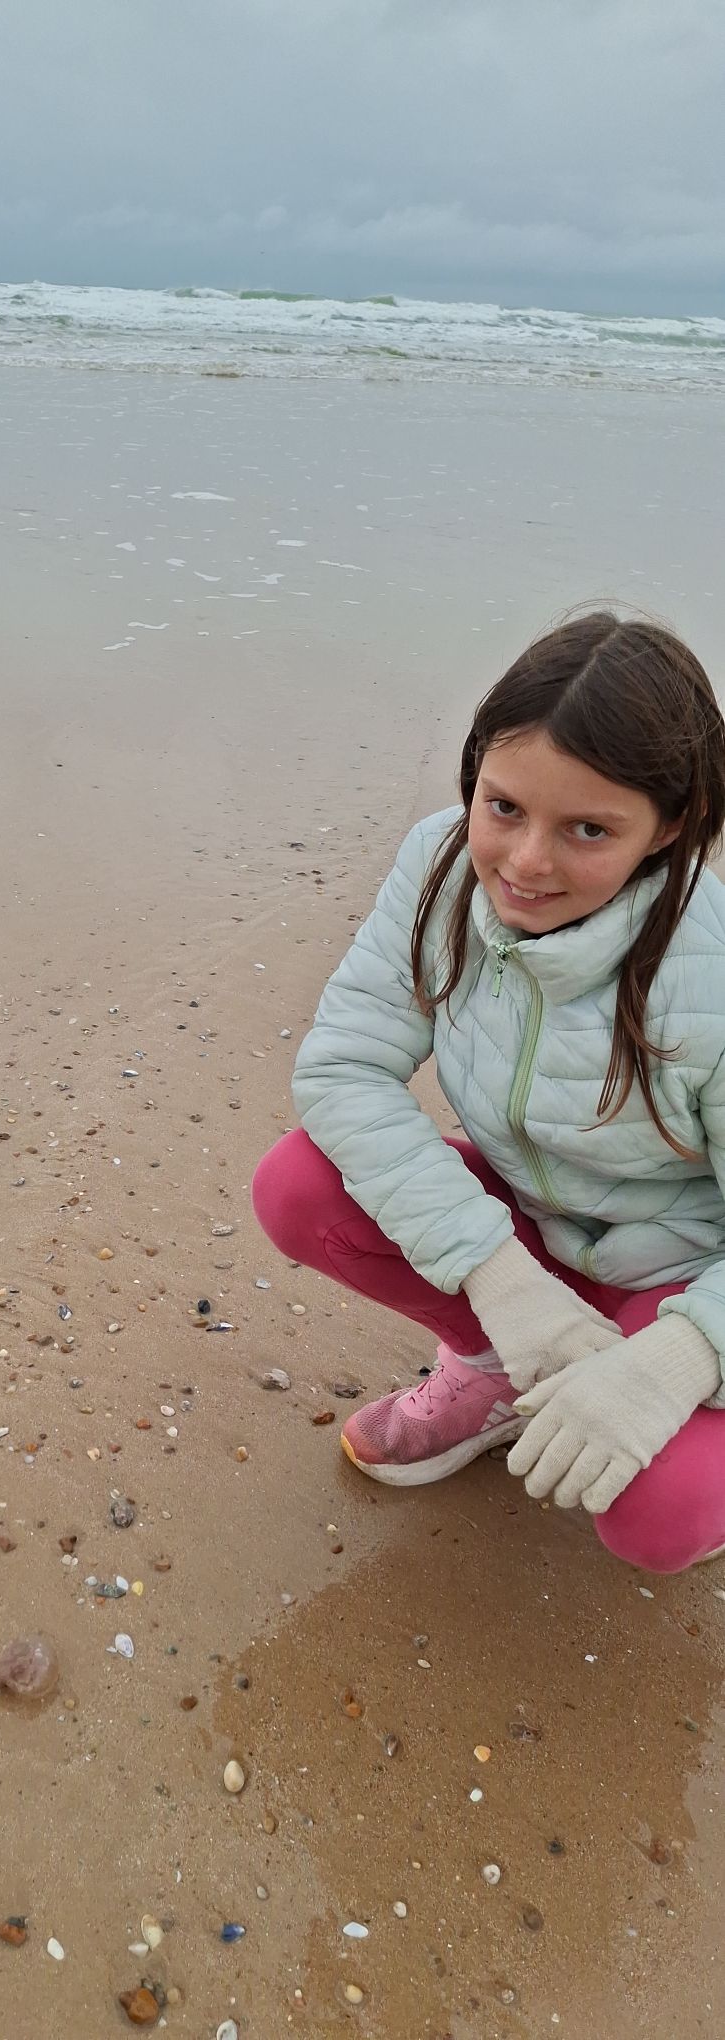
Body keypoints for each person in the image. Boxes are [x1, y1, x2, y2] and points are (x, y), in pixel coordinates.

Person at [252, 611, 725, 1574]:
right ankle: (496, 1367)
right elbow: (344, 1068)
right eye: (503, 806)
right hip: (531, 1232)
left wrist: (675, 1362)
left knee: (657, 1516)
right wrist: (506, 1288)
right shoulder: (440, 868)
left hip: (686, 1276)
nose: (525, 863)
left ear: (671, 825)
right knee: (297, 1186)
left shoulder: (712, 969)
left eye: (588, 829)